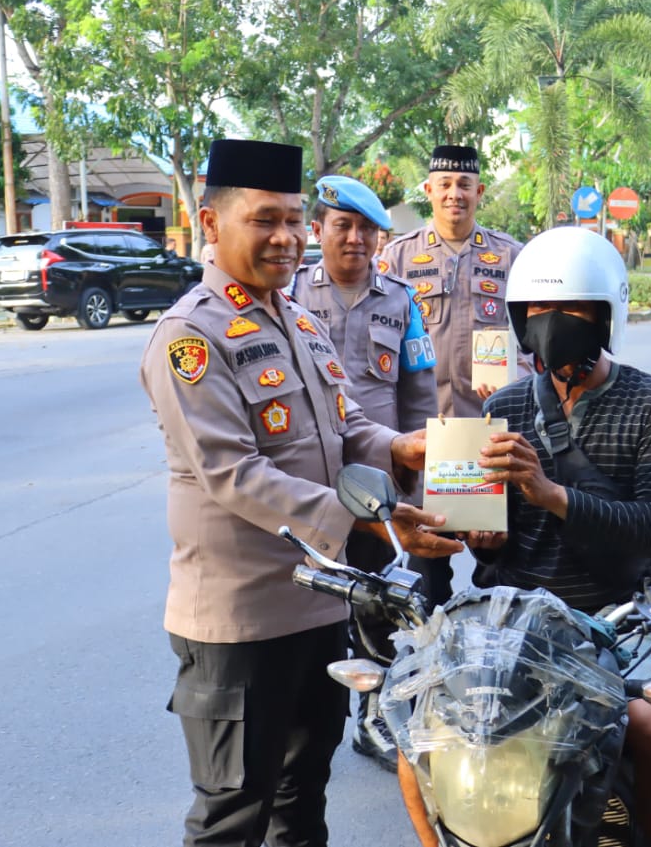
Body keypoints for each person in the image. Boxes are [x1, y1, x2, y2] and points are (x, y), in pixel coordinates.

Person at [139, 138, 463, 847]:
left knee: (301, 802)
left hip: (317, 606)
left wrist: (402, 448)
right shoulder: (191, 337)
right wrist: (371, 525)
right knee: (233, 816)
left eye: (291, 219)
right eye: (264, 220)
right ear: (211, 221)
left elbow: (348, 425)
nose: (285, 237)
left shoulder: (297, 319)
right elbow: (234, 473)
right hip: (240, 621)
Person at [445, 226, 651, 847]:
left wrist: (551, 494)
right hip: (513, 621)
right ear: (519, 319)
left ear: (608, 315)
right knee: (425, 736)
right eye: (539, 311)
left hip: (618, 618)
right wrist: (477, 534)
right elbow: (492, 538)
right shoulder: (503, 403)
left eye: (575, 310)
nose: (554, 323)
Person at [288, 173, 438, 772]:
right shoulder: (291, 293)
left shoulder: (402, 301)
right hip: (308, 481)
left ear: (379, 237)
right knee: (314, 599)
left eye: (366, 229)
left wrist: (412, 486)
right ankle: (311, 714)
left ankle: (373, 717)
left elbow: (420, 396)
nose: (354, 238)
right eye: (342, 226)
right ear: (318, 229)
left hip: (378, 485)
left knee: (379, 601)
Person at [379, 144, 528, 605]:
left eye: (464, 185)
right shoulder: (398, 260)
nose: (454, 194)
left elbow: (534, 340)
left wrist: (516, 374)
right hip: (425, 448)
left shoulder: (512, 257)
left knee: (505, 588)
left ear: (480, 191)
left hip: (493, 445)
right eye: (444, 184)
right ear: (428, 190)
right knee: (424, 591)